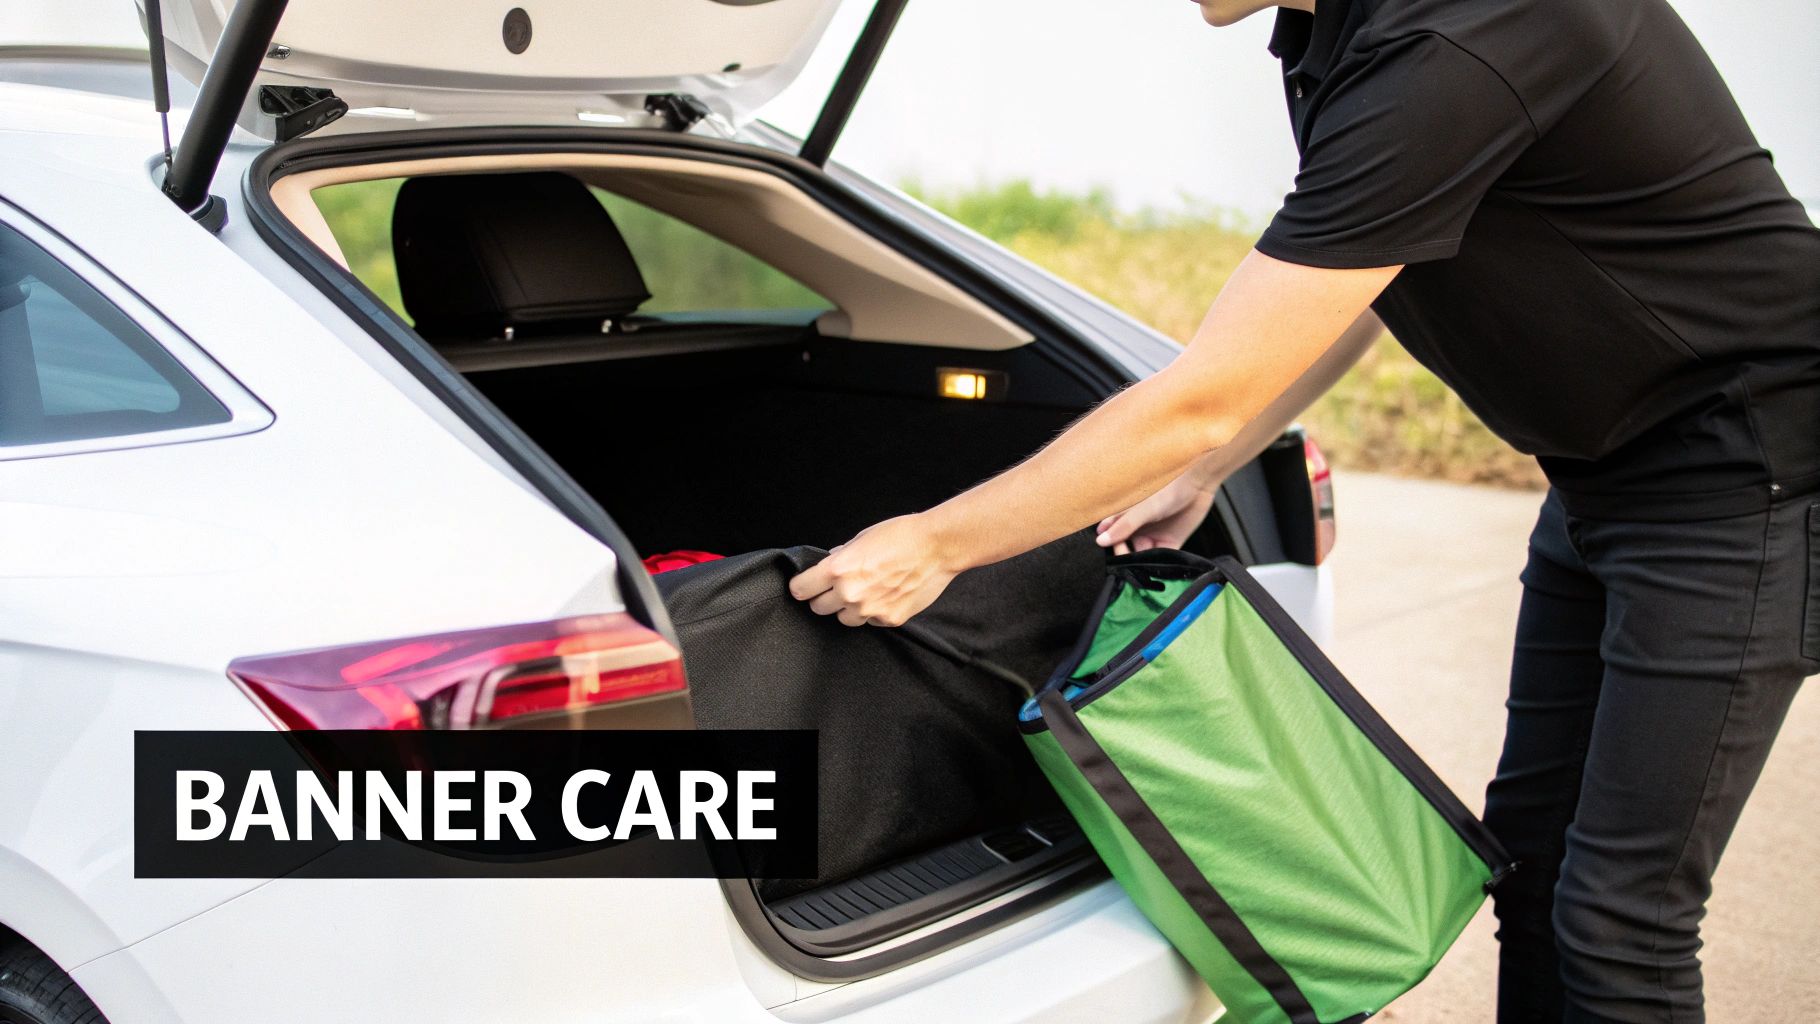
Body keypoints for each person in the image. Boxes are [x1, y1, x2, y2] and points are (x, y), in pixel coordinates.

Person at [787, 0, 1820, 1019]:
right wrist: (1211, 463)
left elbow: (1199, 395)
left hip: (1744, 479)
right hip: (1604, 476)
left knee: (1619, 919)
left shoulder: (1465, 37)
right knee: (1535, 867)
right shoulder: (1333, 33)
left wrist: (936, 543)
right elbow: (1370, 267)